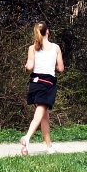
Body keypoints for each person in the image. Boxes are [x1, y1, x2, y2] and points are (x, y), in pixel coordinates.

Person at [21, 22, 64, 156]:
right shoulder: (56, 48)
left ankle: (49, 146)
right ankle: (27, 138)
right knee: (40, 113)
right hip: (47, 83)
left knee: (44, 116)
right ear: (48, 31)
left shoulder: (32, 48)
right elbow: (61, 69)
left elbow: (29, 67)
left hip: (35, 82)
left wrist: (26, 65)